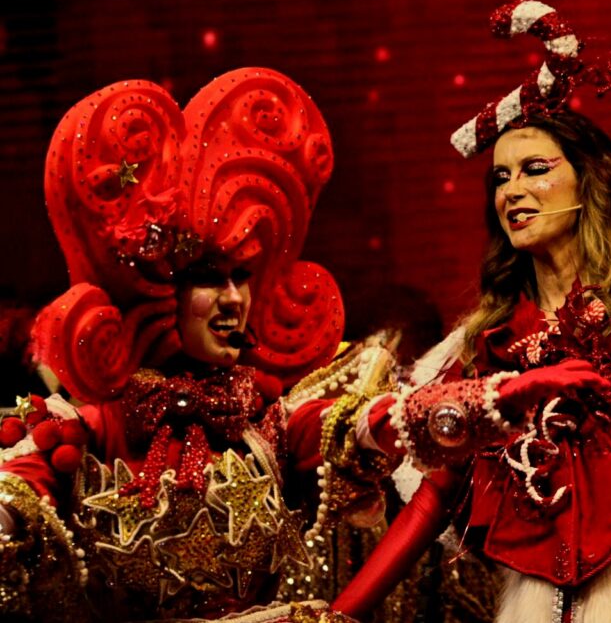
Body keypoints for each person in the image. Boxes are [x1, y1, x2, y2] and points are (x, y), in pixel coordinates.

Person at [329, 101, 611, 622]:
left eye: (536, 170)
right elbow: (436, 495)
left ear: (589, 184)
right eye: (500, 179)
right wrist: (340, 615)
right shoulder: (486, 344)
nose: (511, 191)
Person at [0, 68, 371, 622]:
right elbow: (17, 498)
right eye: (206, 277)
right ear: (157, 289)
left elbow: (361, 429)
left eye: (241, 275)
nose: (232, 299)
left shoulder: (267, 419)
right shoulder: (89, 427)